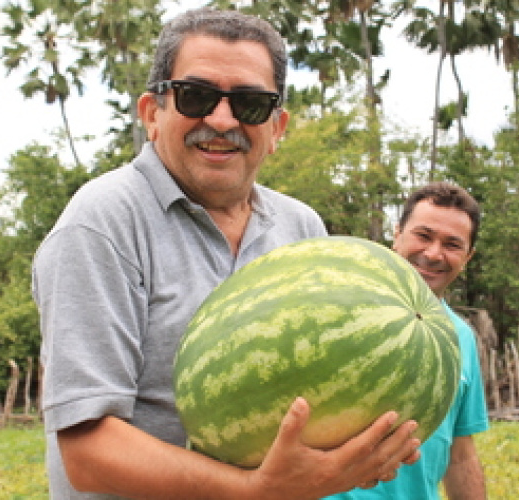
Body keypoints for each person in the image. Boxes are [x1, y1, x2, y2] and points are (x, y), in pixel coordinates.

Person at [32, 8, 421, 499]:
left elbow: (324, 399)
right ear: (153, 113)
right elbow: (87, 452)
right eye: (197, 96)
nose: (221, 120)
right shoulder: (103, 221)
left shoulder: (302, 228)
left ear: (277, 128)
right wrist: (256, 490)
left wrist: (355, 448)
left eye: (249, 104)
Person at [326, 181, 490, 500]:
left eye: (452, 244)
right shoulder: (338, 308)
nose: (432, 253)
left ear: (468, 256)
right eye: (423, 235)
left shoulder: (461, 338)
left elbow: (460, 454)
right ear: (397, 233)